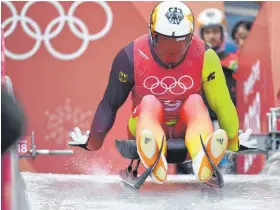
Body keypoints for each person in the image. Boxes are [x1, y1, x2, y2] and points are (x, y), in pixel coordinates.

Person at [69, 1, 253, 184]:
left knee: (195, 101)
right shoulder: (130, 56)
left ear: (189, 37)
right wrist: (94, 141)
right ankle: (155, 155)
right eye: (165, 41)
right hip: (144, 125)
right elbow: (110, 103)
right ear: (152, 34)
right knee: (149, 102)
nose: (172, 52)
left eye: (179, 43)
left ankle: (200, 159)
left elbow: (221, 103)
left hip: (186, 127)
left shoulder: (205, 55)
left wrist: (233, 140)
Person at [197, 8, 238, 110]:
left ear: (223, 33)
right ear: (201, 35)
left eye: (215, 32)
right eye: (207, 32)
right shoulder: (195, 61)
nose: (211, 36)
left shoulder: (235, 60)